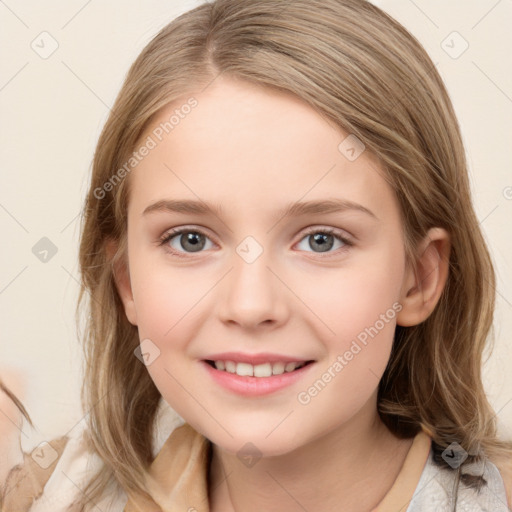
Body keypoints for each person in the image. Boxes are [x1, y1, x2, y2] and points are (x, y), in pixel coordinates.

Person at [1, 0, 511, 510]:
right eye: (190, 239)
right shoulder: (45, 493)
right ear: (126, 280)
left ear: (419, 278)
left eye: (321, 240)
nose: (249, 305)